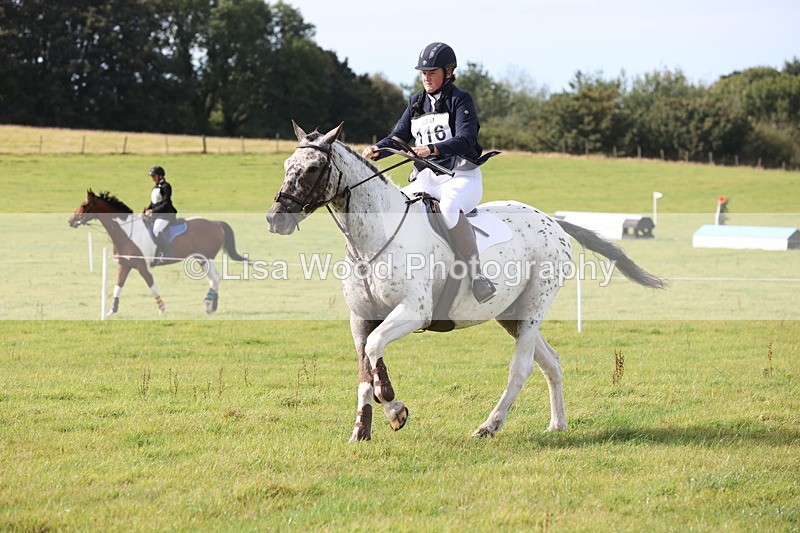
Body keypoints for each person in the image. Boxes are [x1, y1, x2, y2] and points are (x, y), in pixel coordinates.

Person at [362, 42, 498, 303]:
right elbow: (398, 137)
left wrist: (432, 149)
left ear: (448, 73)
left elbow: (466, 139)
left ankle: (477, 276)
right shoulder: (416, 102)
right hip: (425, 180)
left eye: (432, 73)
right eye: (423, 73)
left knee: (447, 208)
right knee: (395, 207)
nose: (426, 78)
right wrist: (378, 149)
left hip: (460, 177)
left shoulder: (460, 100)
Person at [143, 165, 177, 260]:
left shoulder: (166, 186)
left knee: (156, 230)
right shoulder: (156, 187)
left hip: (166, 215)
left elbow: (165, 203)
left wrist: (152, 211)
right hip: (157, 215)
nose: (152, 178)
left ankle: (165, 252)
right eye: (152, 176)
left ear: (160, 176)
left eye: (154, 176)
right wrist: (146, 210)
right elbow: (153, 202)